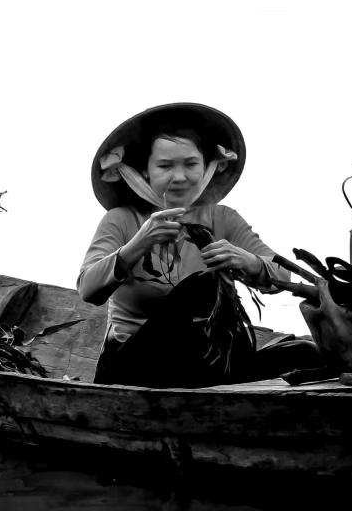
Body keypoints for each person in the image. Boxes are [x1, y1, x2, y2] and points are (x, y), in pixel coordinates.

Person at [77, 102, 321, 388]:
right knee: (201, 288)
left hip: (210, 364)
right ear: (145, 171)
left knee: (307, 353)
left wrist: (246, 261)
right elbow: (88, 289)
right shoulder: (121, 220)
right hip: (136, 366)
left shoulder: (222, 219)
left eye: (191, 164)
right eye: (165, 166)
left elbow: (282, 278)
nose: (179, 177)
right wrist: (138, 244)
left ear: (208, 167)